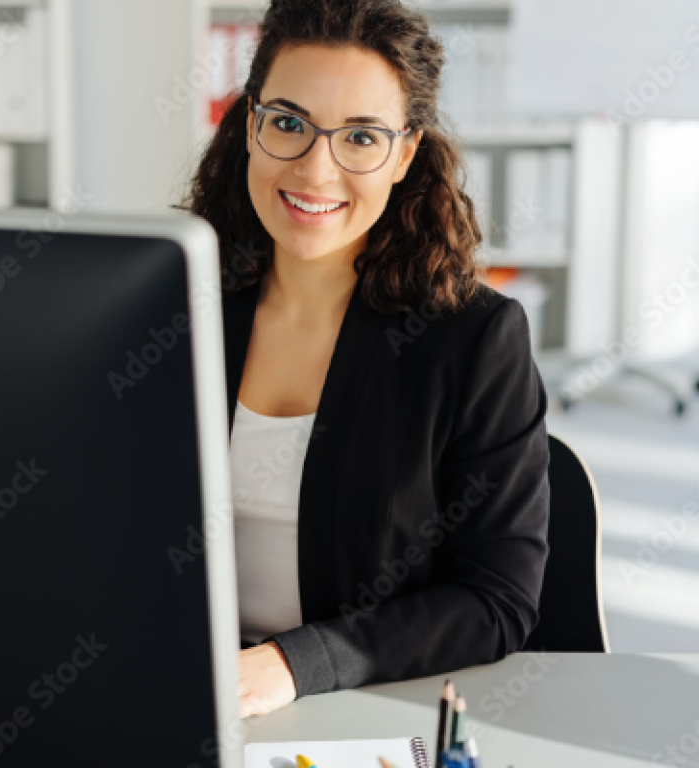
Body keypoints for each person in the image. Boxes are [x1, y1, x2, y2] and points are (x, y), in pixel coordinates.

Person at [181, 0, 550, 719]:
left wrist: (295, 663)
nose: (315, 169)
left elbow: (495, 599)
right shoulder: (176, 305)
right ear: (250, 123)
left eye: (360, 137)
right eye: (288, 123)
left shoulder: (472, 339)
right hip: (185, 691)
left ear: (405, 154)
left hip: (366, 704)